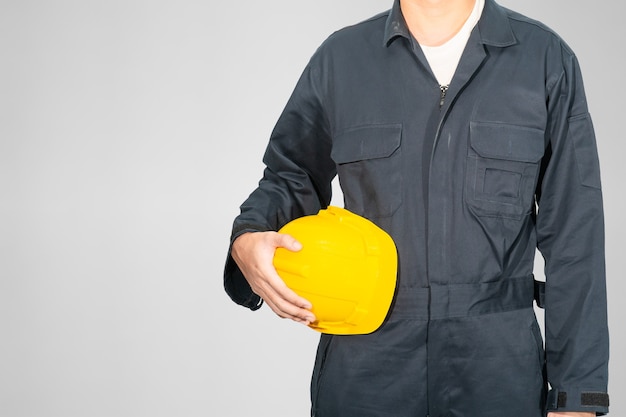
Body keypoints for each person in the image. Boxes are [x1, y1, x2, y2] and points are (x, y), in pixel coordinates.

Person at [223, 0, 610, 415]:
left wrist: (577, 397)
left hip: (499, 372)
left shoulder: (544, 60)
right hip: (366, 369)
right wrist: (248, 236)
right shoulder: (341, 60)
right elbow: (290, 175)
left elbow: (576, 237)